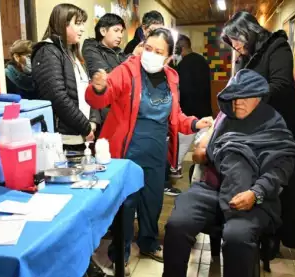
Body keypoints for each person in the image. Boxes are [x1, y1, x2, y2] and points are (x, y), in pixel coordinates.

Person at [86, 28, 213, 275]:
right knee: (126, 204)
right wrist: (99, 88)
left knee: (153, 202)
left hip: (156, 152)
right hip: (126, 152)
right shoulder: (127, 70)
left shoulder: (172, 77)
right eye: (148, 48)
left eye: (159, 52)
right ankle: (119, 254)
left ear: (168, 58)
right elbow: (100, 99)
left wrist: (195, 123)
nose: (151, 54)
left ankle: (148, 243)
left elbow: (175, 117)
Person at [163, 69, 295, 277]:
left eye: (245, 96)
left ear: (258, 97)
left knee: (237, 236)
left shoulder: (273, 123)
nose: (238, 102)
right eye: (234, 96)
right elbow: (203, 153)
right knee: (177, 224)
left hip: (250, 194)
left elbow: (280, 169)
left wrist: (256, 193)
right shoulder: (225, 118)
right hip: (212, 189)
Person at [221, 11, 295, 249]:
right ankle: (260, 228)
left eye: (237, 41)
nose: (237, 47)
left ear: (248, 31)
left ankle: (276, 234)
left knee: (283, 178)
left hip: (281, 124)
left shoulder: (277, 46)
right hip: (256, 128)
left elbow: (281, 85)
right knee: (256, 174)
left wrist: (250, 102)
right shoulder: (246, 56)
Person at [31, 3, 97, 150]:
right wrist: (85, 126)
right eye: (78, 23)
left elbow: (87, 90)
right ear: (63, 23)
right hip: (63, 139)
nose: (82, 29)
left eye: (82, 24)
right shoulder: (48, 51)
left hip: (81, 135)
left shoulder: (73, 53)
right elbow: (57, 97)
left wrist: (92, 121)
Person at [169, 34, 212, 179]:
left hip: (188, 114)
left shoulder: (183, 65)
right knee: (202, 146)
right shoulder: (202, 60)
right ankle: (200, 176)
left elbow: (183, 90)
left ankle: (175, 168)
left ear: (180, 48)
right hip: (205, 111)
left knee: (182, 146)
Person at [83, 13, 128, 137]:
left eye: (122, 31)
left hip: (121, 113)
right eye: (116, 30)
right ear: (103, 31)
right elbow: (106, 76)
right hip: (103, 113)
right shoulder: (91, 49)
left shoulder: (120, 53)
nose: (120, 35)